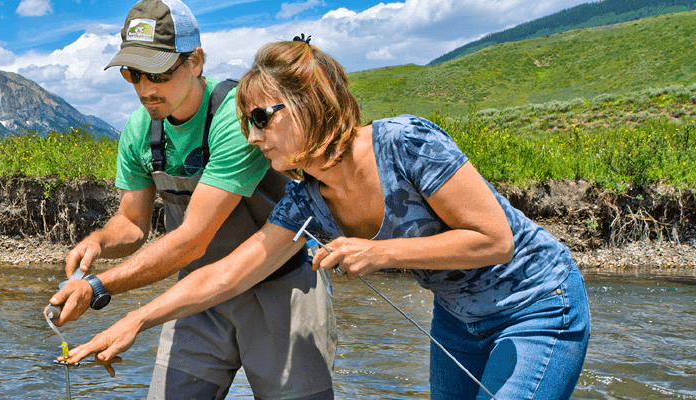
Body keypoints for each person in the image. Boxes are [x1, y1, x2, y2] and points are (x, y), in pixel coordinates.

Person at [65, 36, 592, 399]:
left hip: (538, 304)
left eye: (260, 118)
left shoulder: (407, 143)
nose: (251, 136)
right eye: (245, 122)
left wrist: (380, 251)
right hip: (458, 319)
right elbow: (228, 272)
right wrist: (132, 318)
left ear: (310, 103)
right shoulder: (304, 200)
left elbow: (494, 239)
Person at [46, 1, 336, 399]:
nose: (146, 88)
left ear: (196, 61)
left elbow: (193, 238)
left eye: (159, 73)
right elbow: (131, 224)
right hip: (196, 297)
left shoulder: (237, 119)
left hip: (281, 288)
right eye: (133, 73)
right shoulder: (136, 131)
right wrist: (98, 242)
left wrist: (96, 287)